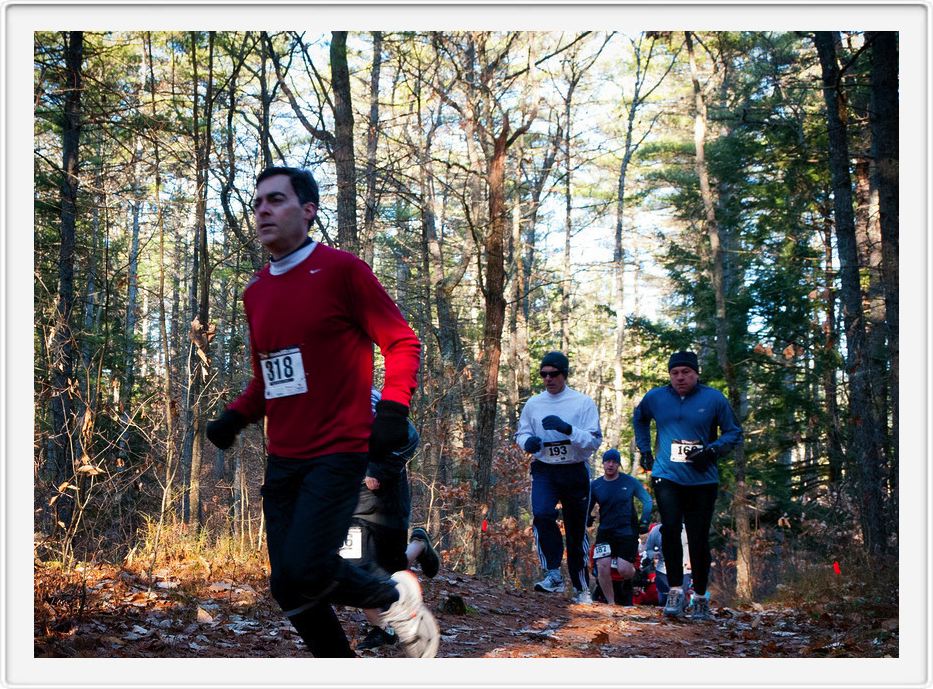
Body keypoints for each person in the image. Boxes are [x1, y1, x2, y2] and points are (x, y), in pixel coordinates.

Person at [205, 166, 439, 657]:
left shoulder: (342, 271)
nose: (262, 210)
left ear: (308, 211)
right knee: (289, 587)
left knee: (307, 569)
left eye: (276, 200)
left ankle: (396, 598)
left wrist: (394, 409)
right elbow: (269, 378)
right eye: (258, 203)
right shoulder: (256, 292)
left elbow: (401, 340)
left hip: (338, 451)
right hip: (284, 457)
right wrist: (237, 415)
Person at [633, 350, 742, 621]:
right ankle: (674, 591)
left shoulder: (713, 398)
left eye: (686, 372)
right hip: (666, 475)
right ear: (669, 375)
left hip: (702, 479)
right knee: (669, 530)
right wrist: (645, 449)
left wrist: (712, 451)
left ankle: (701, 597)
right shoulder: (656, 397)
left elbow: (733, 432)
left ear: (696, 374)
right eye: (675, 373)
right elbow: (640, 418)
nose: (680, 377)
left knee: (697, 537)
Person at [346, 389, 441, 651]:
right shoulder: (321, 404)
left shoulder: (370, 399)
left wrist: (378, 470)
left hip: (387, 500)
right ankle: (382, 629)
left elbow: (410, 436)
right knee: (356, 567)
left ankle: (419, 543)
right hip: (352, 503)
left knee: (392, 567)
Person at [515, 351, 602, 604]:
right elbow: (521, 433)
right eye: (544, 374)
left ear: (564, 374)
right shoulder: (534, 404)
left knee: (576, 530)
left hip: (574, 470)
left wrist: (568, 429)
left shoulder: (582, 403)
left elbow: (594, 440)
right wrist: (527, 442)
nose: (548, 379)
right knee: (541, 514)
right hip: (545, 468)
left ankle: (581, 586)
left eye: (554, 374)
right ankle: (553, 573)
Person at [587, 449, 652, 606]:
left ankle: (633, 577)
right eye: (608, 461)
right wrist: (587, 518)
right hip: (605, 531)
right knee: (602, 567)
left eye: (614, 462)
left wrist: (644, 521)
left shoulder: (629, 482)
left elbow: (647, 500)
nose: (610, 465)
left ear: (618, 465)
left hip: (627, 531)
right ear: (603, 463)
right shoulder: (596, 485)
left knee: (624, 570)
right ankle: (611, 603)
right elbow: (588, 504)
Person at [641, 521, 692, 607]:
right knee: (664, 600)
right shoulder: (656, 531)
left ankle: (681, 614)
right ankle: (665, 618)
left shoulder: (687, 530)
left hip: (683, 569)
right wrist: (654, 554)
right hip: (663, 570)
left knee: (680, 599)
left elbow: (695, 547)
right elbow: (648, 549)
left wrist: (691, 560)